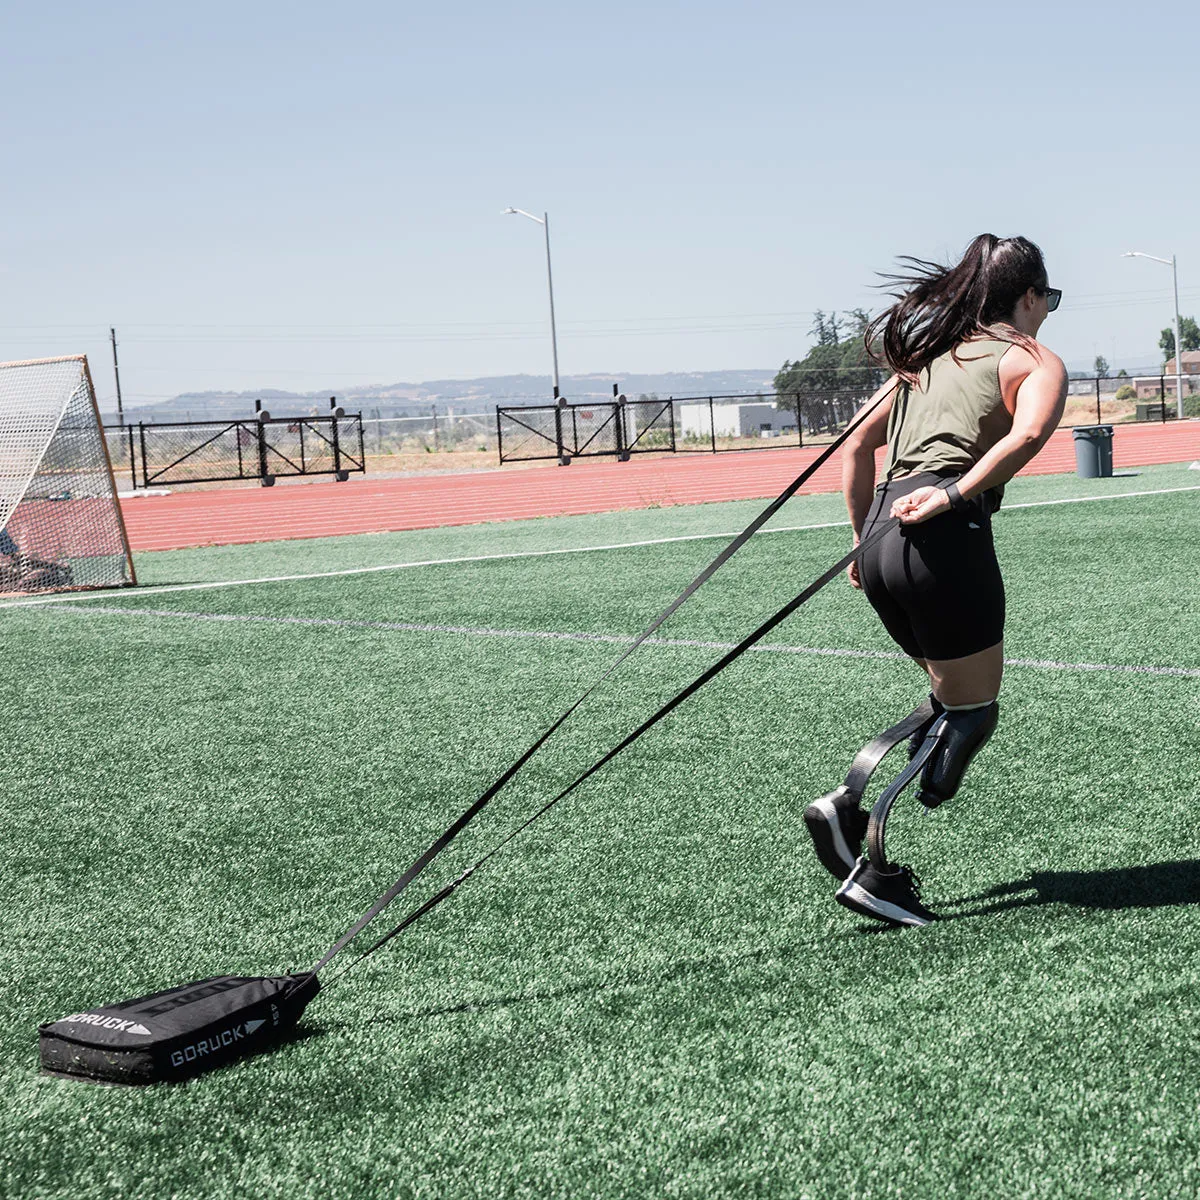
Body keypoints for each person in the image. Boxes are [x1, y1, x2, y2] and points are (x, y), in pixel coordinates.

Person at [805, 234, 1068, 926]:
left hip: (887, 538)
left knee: (951, 694)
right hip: (944, 537)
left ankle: (855, 795)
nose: (1050, 313)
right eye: (1052, 299)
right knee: (974, 708)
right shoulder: (1033, 358)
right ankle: (864, 844)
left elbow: (856, 446)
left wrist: (862, 540)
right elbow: (1030, 434)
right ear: (1030, 296)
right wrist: (953, 497)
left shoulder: (926, 356)